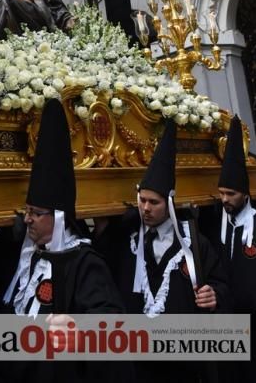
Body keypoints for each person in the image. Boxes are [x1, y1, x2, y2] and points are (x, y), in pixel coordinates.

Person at [0, 98, 128, 383]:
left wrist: (80, 329)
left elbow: (111, 325)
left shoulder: (85, 264)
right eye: (26, 212)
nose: (27, 220)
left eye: (36, 214)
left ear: (59, 218)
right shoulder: (28, 254)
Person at [95, 119, 229, 383]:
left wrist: (215, 295)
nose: (145, 208)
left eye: (153, 202)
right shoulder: (127, 242)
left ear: (168, 203)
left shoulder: (195, 244)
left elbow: (220, 284)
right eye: (142, 200)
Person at [204, 115, 256, 382]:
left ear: (245, 193)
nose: (224, 200)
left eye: (230, 194)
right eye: (221, 193)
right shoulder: (217, 226)